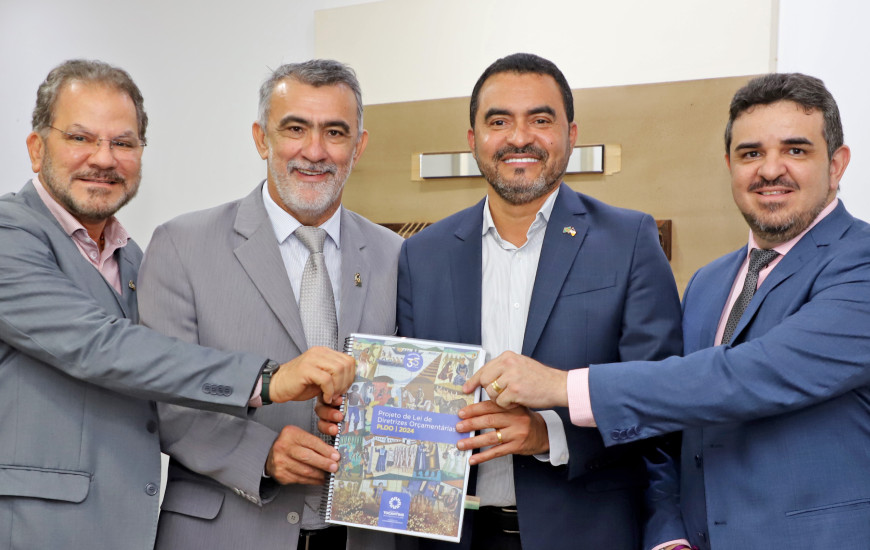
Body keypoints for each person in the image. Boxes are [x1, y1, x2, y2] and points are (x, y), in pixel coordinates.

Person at [465, 73, 870, 549]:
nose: (770, 169)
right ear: (729, 165)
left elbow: (749, 376)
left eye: (795, 150)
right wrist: (668, 533)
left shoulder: (859, 263)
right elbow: (671, 428)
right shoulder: (708, 283)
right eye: (750, 153)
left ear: (837, 164)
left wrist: (561, 385)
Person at [0, 59, 354, 550]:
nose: (104, 158)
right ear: (36, 148)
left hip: (123, 527)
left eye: (124, 143)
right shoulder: (10, 236)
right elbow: (101, 346)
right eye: (80, 138)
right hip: (37, 530)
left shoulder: (130, 257)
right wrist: (268, 380)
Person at [397, 53, 684, 550]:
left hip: (585, 534)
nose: (519, 137)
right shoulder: (422, 255)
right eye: (498, 121)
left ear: (570, 134)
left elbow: (659, 401)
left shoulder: (630, 241)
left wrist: (549, 435)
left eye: (540, 120)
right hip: (452, 537)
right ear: (473, 140)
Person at [138, 60, 403, 550]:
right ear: (262, 138)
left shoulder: (396, 255)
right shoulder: (181, 245)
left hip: (360, 536)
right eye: (295, 129)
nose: (315, 151)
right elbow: (162, 398)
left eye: (335, 132)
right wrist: (258, 454)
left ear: (359, 146)